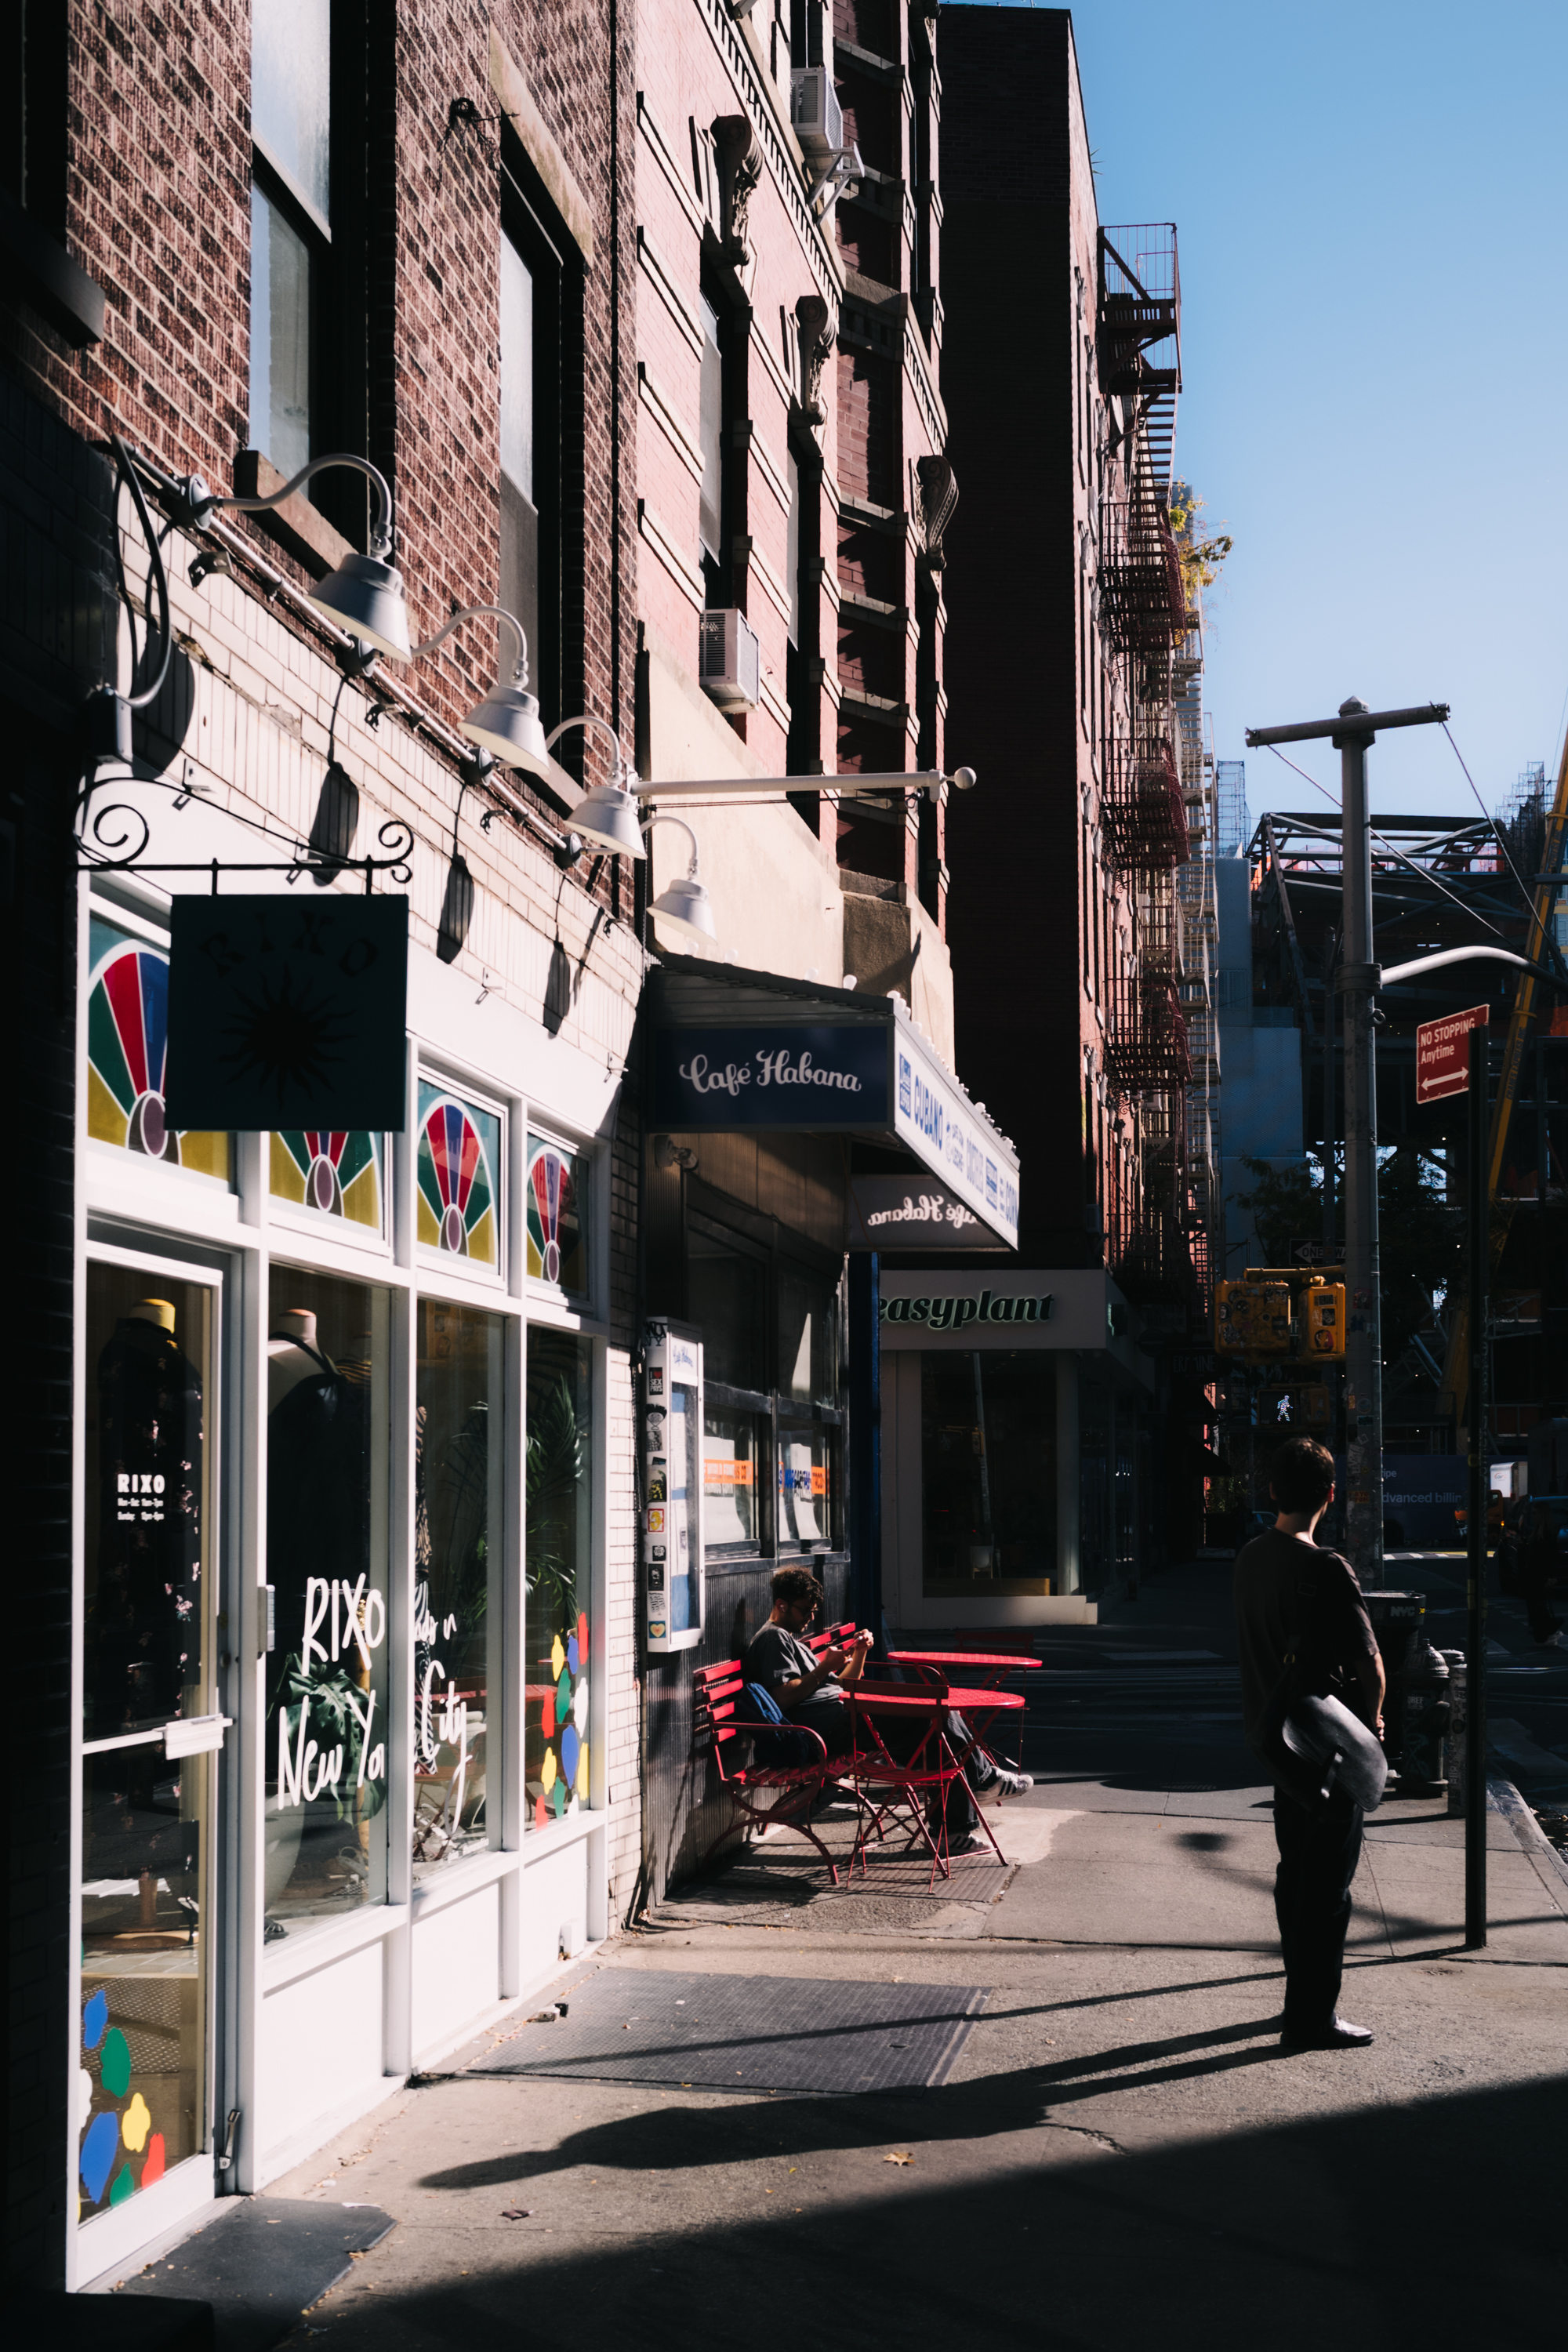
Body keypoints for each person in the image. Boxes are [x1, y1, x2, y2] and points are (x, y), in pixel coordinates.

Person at [1234, 1436, 1385, 2053]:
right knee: (1327, 1890)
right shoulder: (1326, 1568)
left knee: (1294, 1874)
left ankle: (1300, 1996)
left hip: (1277, 1744)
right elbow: (1370, 1665)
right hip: (1327, 1751)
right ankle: (1310, 2018)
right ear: (1330, 1493)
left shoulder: (1250, 1558)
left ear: (1272, 1490)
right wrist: (1374, 1723)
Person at [742, 1566, 1032, 1853]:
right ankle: (977, 1791)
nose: (811, 1618)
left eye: (814, 1611)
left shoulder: (786, 1639)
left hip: (845, 1715)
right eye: (806, 1610)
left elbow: (844, 1683)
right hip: (831, 1729)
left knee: (936, 1722)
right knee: (934, 1717)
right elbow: (783, 1697)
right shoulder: (773, 1638)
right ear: (781, 1605)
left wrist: (859, 1654)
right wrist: (823, 1668)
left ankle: (963, 1813)